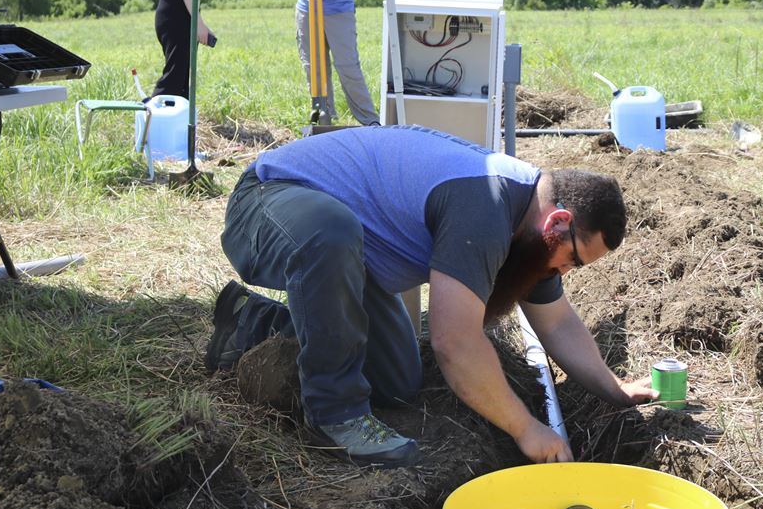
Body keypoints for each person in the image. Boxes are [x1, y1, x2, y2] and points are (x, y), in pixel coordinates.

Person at [206, 125, 657, 468]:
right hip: (268, 203)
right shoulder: (486, 206)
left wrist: (613, 389)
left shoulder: (530, 232)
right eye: (573, 260)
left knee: (396, 381)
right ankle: (337, 415)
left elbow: (556, 322)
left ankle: (248, 322)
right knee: (330, 231)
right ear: (557, 222)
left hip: (342, 252)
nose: (565, 271)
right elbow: (455, 342)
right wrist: (526, 429)